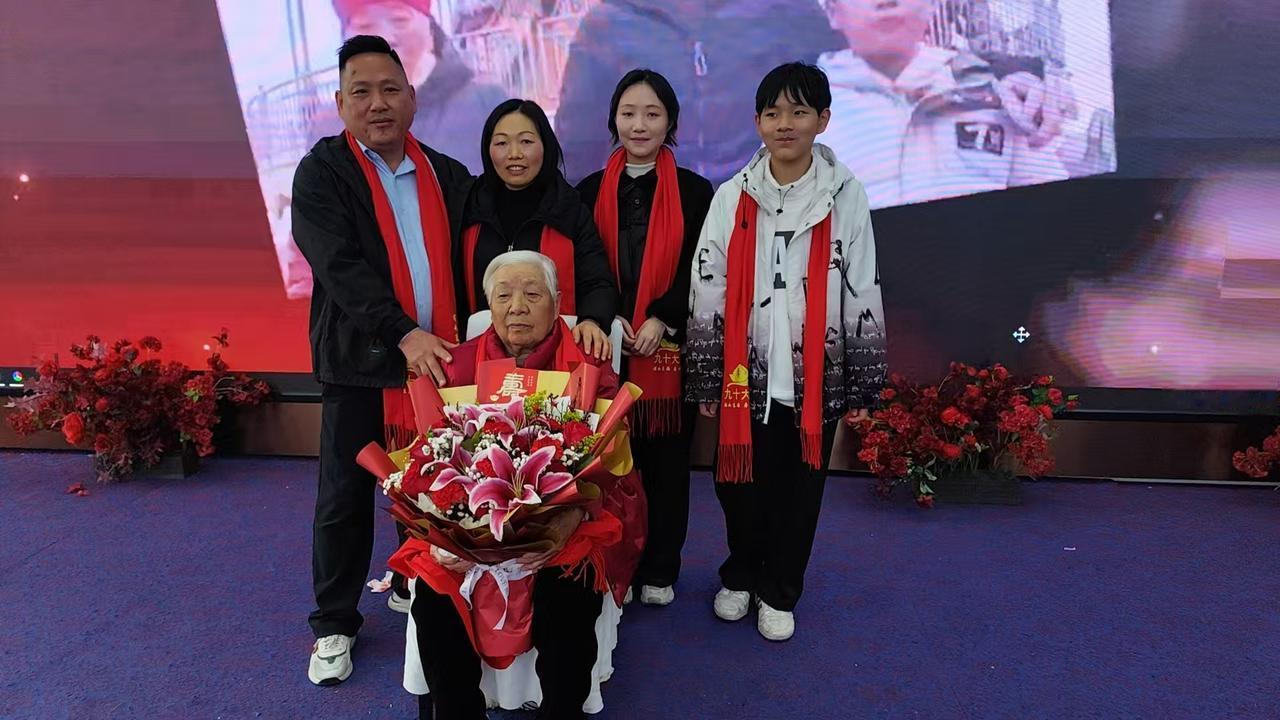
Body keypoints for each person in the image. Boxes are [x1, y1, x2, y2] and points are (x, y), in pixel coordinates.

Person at [291, 34, 472, 685]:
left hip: (438, 365)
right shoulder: (322, 173)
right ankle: (335, 623)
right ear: (340, 103)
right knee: (345, 496)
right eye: (362, 92)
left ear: (413, 98)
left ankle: (410, 581)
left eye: (390, 89)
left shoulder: (446, 174)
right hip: (359, 364)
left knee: (434, 485)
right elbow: (340, 268)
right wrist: (403, 333)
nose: (378, 103)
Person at [686, 62, 887, 642]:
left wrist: (863, 383)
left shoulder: (845, 195)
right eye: (773, 113)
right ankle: (741, 574)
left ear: (823, 120)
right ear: (757, 122)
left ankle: (780, 590)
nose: (785, 124)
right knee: (737, 487)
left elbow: (862, 286)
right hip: (745, 373)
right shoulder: (732, 195)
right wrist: (706, 374)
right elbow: (708, 284)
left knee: (798, 491)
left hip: (814, 374)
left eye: (799, 112)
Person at [410, 251, 625, 720]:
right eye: (504, 296)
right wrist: (446, 529)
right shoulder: (455, 364)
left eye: (532, 294)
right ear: (489, 306)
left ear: (557, 303)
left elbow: (610, 461)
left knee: (570, 589)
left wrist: (569, 518)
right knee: (433, 591)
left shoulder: (588, 364)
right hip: (468, 526)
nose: (517, 307)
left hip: (559, 521)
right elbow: (426, 457)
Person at [576, 69, 712, 606]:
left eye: (652, 114)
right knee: (607, 464)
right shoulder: (588, 191)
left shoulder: (696, 191)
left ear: (670, 121)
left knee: (666, 466)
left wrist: (662, 317)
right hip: (606, 347)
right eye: (628, 113)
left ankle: (660, 568)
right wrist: (610, 318)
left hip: (667, 351)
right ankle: (616, 564)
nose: (639, 125)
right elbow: (585, 267)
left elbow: (703, 266)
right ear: (613, 119)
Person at [555, 0, 844, 184]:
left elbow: (846, 100)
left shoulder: (788, 11)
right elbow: (577, 149)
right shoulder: (610, 23)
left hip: (767, 214)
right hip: (648, 223)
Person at [817, 0, 1070, 208]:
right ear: (832, 12)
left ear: (933, 5)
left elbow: (1057, 211)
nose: (887, 2)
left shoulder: (999, 93)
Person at [461, 99, 619, 363]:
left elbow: (597, 281)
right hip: (483, 357)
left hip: (555, 358)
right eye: (501, 143)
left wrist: (593, 320)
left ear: (545, 145)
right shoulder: (469, 205)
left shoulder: (568, 208)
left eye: (526, 141)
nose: (514, 154)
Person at [333, 0, 506, 173]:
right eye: (364, 26)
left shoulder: (486, 104)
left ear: (430, 29)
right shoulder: (333, 133)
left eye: (400, 20)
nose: (385, 38)